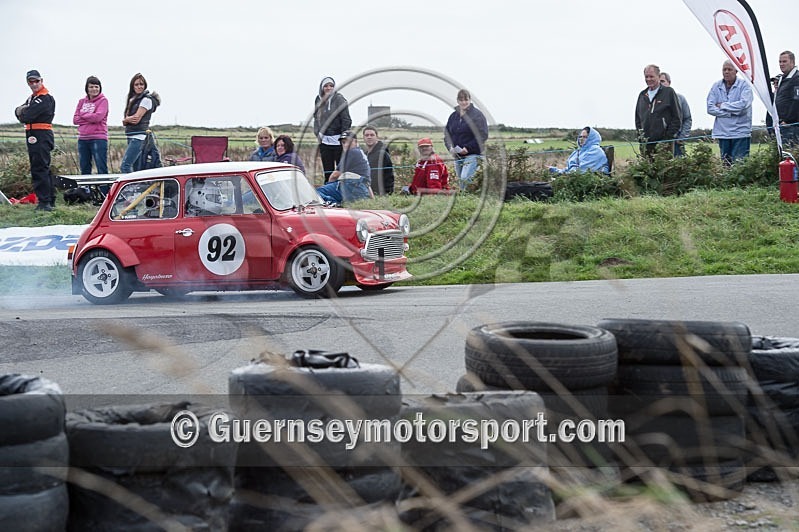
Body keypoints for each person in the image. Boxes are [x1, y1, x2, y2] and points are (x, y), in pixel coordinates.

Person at [14, 69, 56, 211]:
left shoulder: (44, 98)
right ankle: (49, 199)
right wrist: (20, 111)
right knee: (42, 167)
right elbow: (20, 112)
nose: (34, 84)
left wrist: (23, 111)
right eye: (31, 82)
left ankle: (45, 202)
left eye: (36, 81)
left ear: (41, 81)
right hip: (33, 133)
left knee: (39, 168)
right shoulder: (33, 98)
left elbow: (26, 116)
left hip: (41, 134)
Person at [706, 60, 754, 165]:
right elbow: (710, 108)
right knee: (726, 165)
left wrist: (723, 105)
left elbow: (743, 105)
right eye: (724, 69)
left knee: (740, 165)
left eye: (729, 69)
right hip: (723, 133)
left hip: (740, 133)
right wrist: (730, 113)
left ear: (736, 71)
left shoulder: (745, 85)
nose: (726, 72)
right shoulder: (716, 86)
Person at [444, 89, 488, 190]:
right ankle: (465, 199)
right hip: (458, 155)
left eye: (466, 100)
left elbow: (483, 135)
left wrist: (468, 148)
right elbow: (447, 135)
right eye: (461, 100)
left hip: (473, 154)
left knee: (465, 179)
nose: (464, 102)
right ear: (457, 101)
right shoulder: (453, 116)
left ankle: (466, 201)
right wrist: (450, 147)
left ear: (470, 100)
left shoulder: (477, 115)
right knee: (461, 180)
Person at [635, 64, 682, 157]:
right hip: (646, 144)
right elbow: (638, 119)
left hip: (664, 144)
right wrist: (641, 138)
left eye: (651, 76)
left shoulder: (668, 92)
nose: (649, 79)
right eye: (646, 77)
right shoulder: (642, 95)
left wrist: (666, 139)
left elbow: (677, 118)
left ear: (658, 76)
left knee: (664, 170)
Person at [316, 130, 372, 204]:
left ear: (355, 142)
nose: (346, 145)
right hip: (362, 190)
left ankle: (333, 205)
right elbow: (366, 182)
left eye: (349, 142)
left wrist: (329, 185)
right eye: (343, 142)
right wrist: (372, 199)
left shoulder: (351, 152)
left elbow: (334, 175)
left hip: (351, 186)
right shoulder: (361, 153)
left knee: (316, 193)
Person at [313, 76, 352, 182]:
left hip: (338, 139)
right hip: (324, 140)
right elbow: (316, 118)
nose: (328, 88)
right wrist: (318, 133)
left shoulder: (339, 99)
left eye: (331, 86)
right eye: (326, 86)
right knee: (327, 170)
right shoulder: (318, 99)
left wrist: (343, 137)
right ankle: (328, 192)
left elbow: (346, 119)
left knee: (341, 170)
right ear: (322, 88)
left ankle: (342, 192)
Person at [120, 73, 160, 173]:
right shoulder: (132, 99)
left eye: (141, 84)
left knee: (125, 165)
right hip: (131, 135)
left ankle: (129, 187)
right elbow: (129, 118)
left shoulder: (146, 100)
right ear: (132, 86)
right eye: (136, 84)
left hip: (138, 136)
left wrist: (125, 120)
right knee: (135, 167)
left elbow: (136, 119)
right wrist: (127, 120)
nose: (139, 86)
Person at [72, 75, 109, 175]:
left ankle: (104, 190)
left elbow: (98, 117)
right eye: (91, 87)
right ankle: (86, 190)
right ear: (87, 89)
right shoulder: (81, 102)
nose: (94, 89)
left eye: (96, 87)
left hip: (98, 138)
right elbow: (75, 120)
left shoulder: (103, 101)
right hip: (83, 138)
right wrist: (90, 118)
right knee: (84, 167)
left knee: (101, 167)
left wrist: (83, 114)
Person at [659, 72, 692, 156]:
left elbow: (687, 119)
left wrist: (682, 137)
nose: (660, 84)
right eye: (658, 82)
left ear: (669, 83)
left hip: (677, 142)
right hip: (658, 142)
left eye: (662, 81)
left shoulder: (680, 99)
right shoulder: (652, 100)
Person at [775, 51, 799, 146]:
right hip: (782, 124)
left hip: (791, 126)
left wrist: (788, 120)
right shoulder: (783, 78)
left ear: (792, 62)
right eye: (780, 62)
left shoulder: (796, 79)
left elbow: (796, 102)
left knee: (790, 154)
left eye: (784, 61)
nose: (781, 64)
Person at [362, 126, 395, 195]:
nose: (369, 137)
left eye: (372, 135)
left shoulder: (382, 154)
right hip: (369, 192)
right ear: (363, 138)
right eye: (366, 135)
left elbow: (375, 176)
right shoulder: (365, 154)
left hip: (382, 193)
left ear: (377, 137)